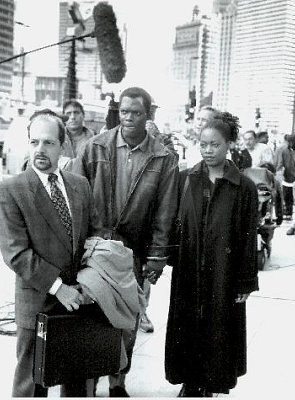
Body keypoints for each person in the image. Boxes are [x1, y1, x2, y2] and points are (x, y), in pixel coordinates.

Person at [71, 86, 179, 397]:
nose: (129, 118)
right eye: (124, 112)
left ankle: (118, 382)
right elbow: (77, 200)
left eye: (137, 113)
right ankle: (89, 385)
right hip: (95, 249)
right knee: (92, 318)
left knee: (128, 321)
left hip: (135, 253)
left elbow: (165, 211)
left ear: (149, 115)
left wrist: (157, 257)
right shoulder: (95, 148)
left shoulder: (163, 158)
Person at [0, 110, 101, 397]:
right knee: (31, 385)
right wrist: (59, 288)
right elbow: (16, 254)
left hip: (78, 300)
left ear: (63, 145)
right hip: (38, 301)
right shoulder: (10, 190)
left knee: (77, 382)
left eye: (49, 143)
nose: (40, 149)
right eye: (34, 142)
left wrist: (90, 282)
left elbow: (93, 235)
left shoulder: (79, 185)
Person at [165, 113, 259, 397]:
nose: (207, 150)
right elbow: (173, 223)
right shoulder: (186, 179)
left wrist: (246, 281)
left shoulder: (244, 187)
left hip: (224, 271)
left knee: (218, 328)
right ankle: (189, 381)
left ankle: (211, 383)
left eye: (214, 144)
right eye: (203, 144)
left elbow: (247, 237)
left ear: (229, 144)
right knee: (187, 324)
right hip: (189, 269)